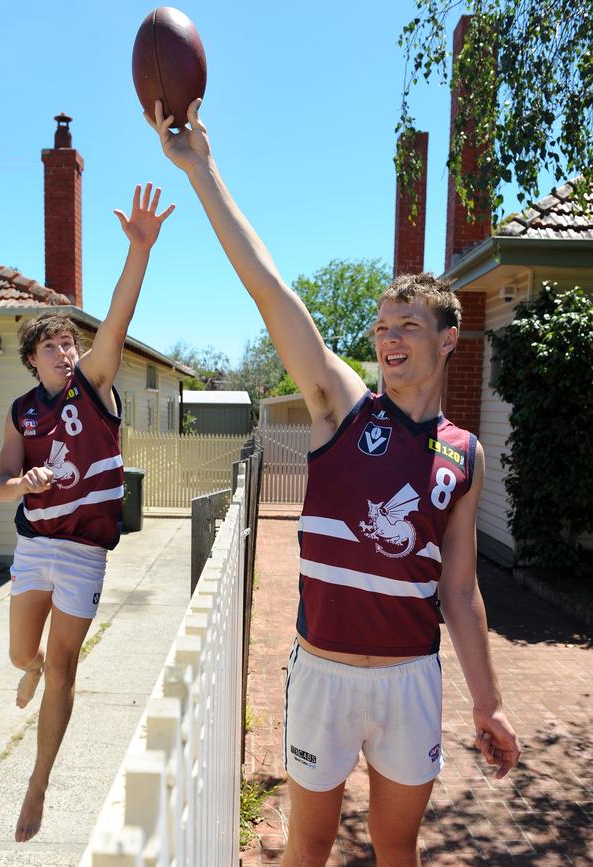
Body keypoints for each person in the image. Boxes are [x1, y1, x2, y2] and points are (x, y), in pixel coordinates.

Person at [148, 99, 520, 866]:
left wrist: (489, 702)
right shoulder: (341, 407)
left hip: (410, 681)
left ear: (448, 340)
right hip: (321, 671)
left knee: (396, 850)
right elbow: (271, 290)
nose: (389, 336)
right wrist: (203, 171)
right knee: (309, 846)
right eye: (383, 325)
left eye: (408, 324)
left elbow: (459, 591)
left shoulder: (463, 454)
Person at [0, 183, 174, 843]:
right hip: (35, 543)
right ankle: (30, 667)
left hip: (84, 551)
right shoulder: (21, 411)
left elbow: (118, 319)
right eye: (54, 347)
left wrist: (139, 253)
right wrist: (24, 480)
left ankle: (37, 781)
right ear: (32, 359)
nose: (67, 352)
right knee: (23, 654)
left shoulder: (93, 387)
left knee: (66, 664)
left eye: (71, 343)